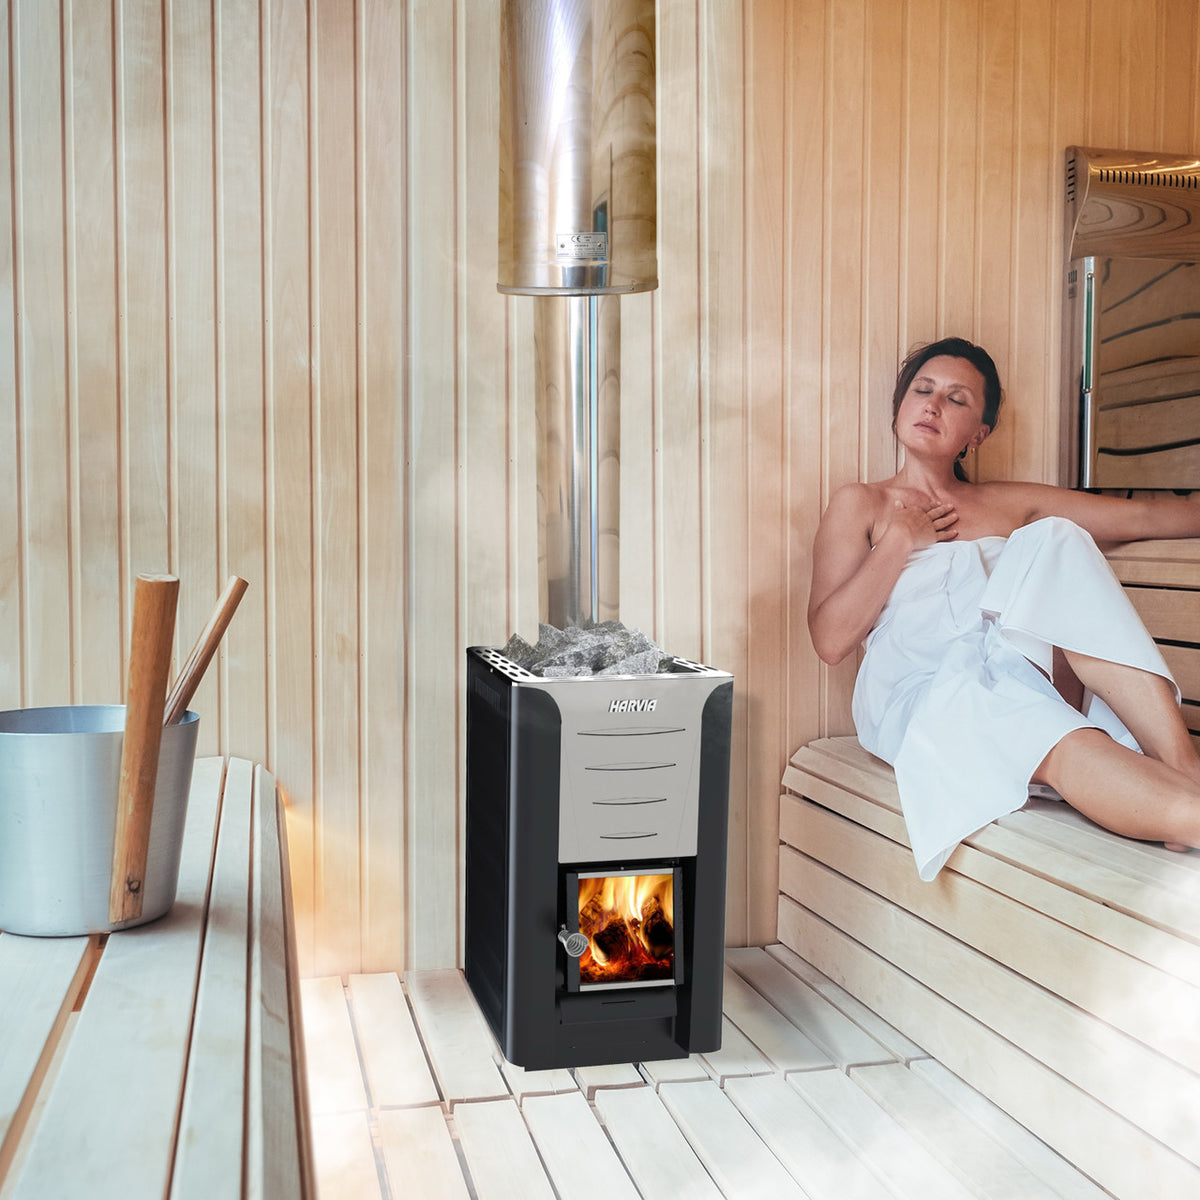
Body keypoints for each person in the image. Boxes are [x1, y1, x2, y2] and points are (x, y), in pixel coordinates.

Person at [808, 335, 1200, 878]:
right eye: (922, 390)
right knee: (1029, 719)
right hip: (924, 689)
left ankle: (1183, 766)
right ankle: (1182, 808)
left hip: (1018, 668)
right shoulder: (862, 504)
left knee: (1056, 537)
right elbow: (830, 641)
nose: (933, 405)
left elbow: (1147, 520)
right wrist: (900, 540)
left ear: (979, 433)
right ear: (900, 405)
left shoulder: (1011, 502)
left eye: (957, 399)